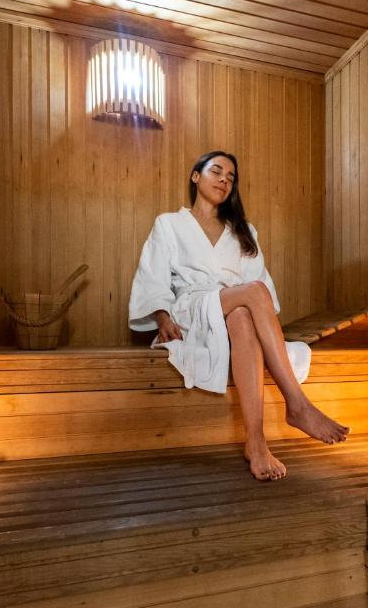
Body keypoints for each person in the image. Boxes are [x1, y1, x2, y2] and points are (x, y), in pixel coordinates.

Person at [128, 151, 349, 481]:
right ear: (196, 176)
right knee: (254, 292)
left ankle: (256, 443)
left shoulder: (243, 231)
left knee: (244, 315)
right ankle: (297, 404)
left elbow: (258, 290)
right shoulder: (169, 224)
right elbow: (153, 276)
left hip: (232, 310)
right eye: (216, 171)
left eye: (230, 178)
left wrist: (247, 309)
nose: (223, 180)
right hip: (192, 309)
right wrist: (162, 319)